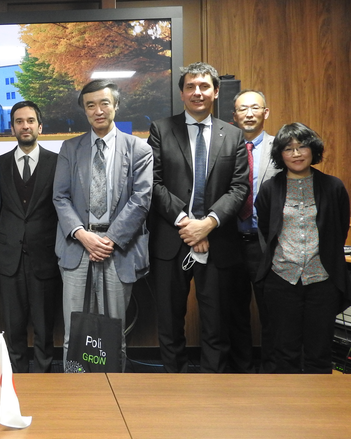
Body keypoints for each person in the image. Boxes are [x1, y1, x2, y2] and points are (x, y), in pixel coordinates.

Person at [147, 63, 248, 373]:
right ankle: (174, 384)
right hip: (171, 241)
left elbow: (239, 186)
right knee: (170, 320)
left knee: (216, 322)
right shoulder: (161, 129)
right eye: (190, 86)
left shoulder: (233, 134)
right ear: (181, 93)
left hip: (218, 241)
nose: (197, 92)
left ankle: (213, 387)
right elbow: (153, 182)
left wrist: (208, 224)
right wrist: (186, 222)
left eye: (204, 86)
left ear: (216, 92)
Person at [53, 80, 153, 371]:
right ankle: (76, 398)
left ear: (116, 105)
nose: (98, 110)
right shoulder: (70, 148)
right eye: (90, 105)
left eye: (104, 103)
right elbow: (60, 197)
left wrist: (108, 240)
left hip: (118, 250)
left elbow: (142, 200)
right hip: (77, 247)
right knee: (75, 333)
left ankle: (113, 400)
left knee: (114, 334)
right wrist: (84, 235)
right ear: (84, 111)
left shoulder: (138, 149)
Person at [255, 123, 349, 374]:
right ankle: (287, 411)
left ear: (313, 150)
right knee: (284, 353)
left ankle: (318, 410)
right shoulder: (269, 189)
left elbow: (338, 230)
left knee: (319, 353)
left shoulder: (333, 186)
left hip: (323, 280)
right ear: (280, 154)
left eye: (302, 146)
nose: (296, 154)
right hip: (282, 280)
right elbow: (267, 229)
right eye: (289, 149)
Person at [0, 101, 60, 373]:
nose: (25, 126)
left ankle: (44, 380)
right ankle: (18, 380)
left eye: (30, 120)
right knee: (13, 327)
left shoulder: (58, 163)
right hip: (9, 259)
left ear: (40, 127)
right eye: (19, 121)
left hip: (45, 258)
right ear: (12, 128)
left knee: (45, 328)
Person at [228, 90, 280, 373]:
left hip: (268, 244)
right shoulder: (223, 148)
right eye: (242, 109)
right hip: (231, 241)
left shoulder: (281, 148)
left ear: (265, 112)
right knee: (234, 312)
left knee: (271, 311)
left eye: (255, 108)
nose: (249, 113)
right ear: (233, 116)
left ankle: (273, 370)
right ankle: (241, 371)